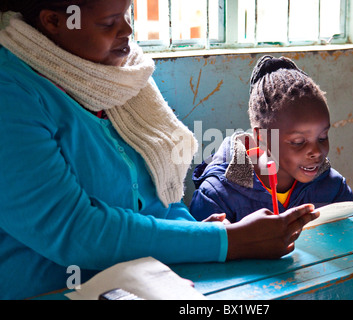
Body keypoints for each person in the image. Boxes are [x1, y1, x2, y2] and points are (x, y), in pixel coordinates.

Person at [0, 1, 318, 299]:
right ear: (54, 21)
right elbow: (75, 230)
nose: (126, 31)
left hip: (148, 281)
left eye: (128, 14)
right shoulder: (13, 95)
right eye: (109, 23)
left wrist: (190, 234)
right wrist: (227, 241)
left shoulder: (121, 74)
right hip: (49, 289)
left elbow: (158, 197)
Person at [191, 55, 353, 223]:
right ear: (261, 138)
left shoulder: (333, 187)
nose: (316, 152)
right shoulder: (217, 196)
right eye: (298, 142)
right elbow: (200, 247)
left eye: (322, 137)